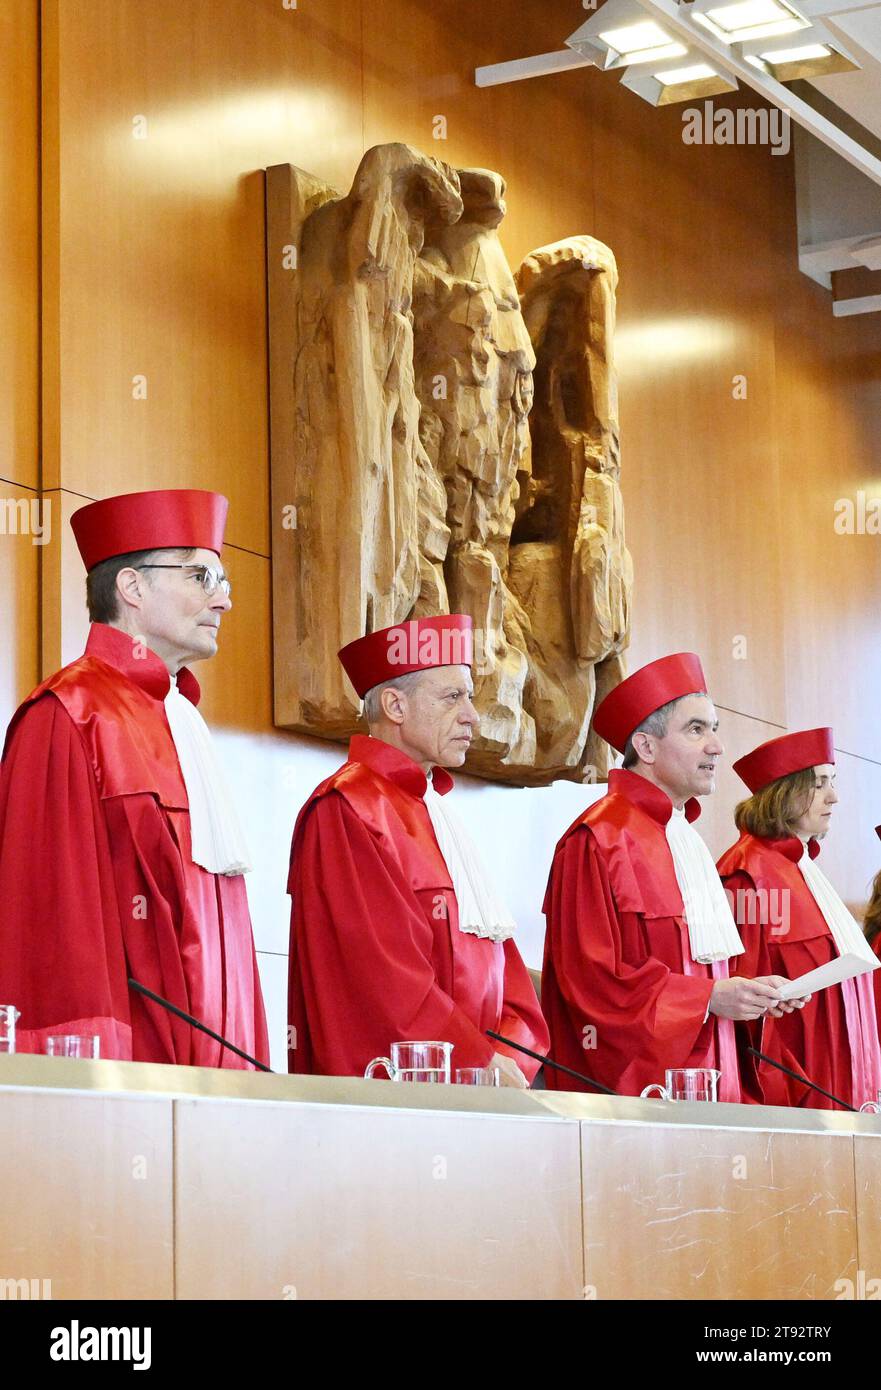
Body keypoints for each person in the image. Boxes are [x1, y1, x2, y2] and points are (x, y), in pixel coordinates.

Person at [0, 489, 269, 1066]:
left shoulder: (185, 723)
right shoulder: (68, 715)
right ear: (132, 587)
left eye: (222, 580)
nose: (222, 600)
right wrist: (93, 1083)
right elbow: (56, 930)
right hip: (134, 1076)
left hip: (221, 1075)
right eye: (203, 575)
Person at [287, 614, 549, 1086]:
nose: (472, 714)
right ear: (395, 705)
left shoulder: (439, 814)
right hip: (404, 1097)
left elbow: (502, 964)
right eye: (452, 697)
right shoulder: (349, 808)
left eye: (469, 696)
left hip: (486, 1089)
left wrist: (513, 1053)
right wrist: (477, 1063)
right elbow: (381, 979)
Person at [542, 652, 799, 1099]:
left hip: (715, 1085)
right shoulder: (597, 840)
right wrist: (708, 999)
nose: (716, 746)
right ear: (645, 747)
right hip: (643, 1099)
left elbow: (707, 971)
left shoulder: (685, 840)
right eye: (696, 729)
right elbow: (589, 985)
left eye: (715, 729)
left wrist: (753, 996)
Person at [718, 730, 880, 1109]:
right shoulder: (747, 873)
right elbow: (744, 1000)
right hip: (797, 1090)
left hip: (842, 1082)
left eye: (833, 782)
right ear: (785, 791)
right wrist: (786, 1092)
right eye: (819, 783)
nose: (834, 797)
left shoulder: (803, 867)